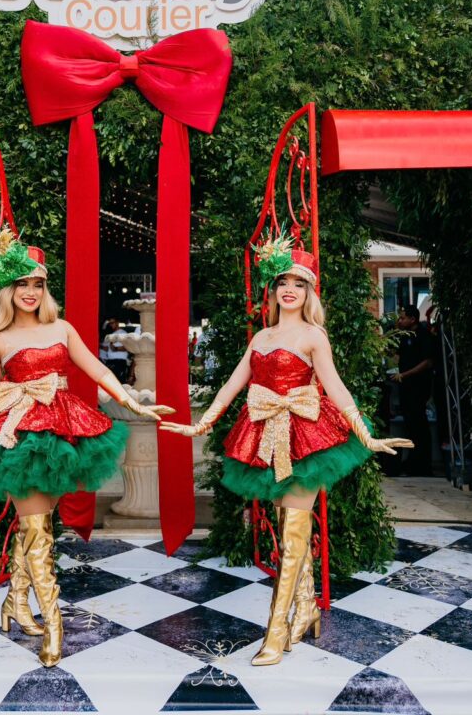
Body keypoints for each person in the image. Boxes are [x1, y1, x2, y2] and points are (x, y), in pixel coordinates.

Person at [0, 225, 170, 668]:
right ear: (8, 290)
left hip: (61, 432)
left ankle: (15, 602)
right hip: (19, 437)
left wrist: (134, 402)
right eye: (22, 284)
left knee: (34, 528)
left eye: (37, 284)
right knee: (38, 531)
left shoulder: (62, 328)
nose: (30, 292)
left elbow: (99, 371)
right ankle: (53, 625)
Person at [161, 234, 412, 667]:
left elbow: (336, 388)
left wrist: (367, 436)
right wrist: (201, 423)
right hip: (266, 438)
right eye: (282, 282)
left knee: (294, 533)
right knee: (287, 528)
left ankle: (275, 632)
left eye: (298, 282)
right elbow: (233, 384)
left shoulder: (314, 336)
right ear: (273, 289)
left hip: (308, 439)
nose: (289, 289)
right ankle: (307, 608)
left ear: (309, 291)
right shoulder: (261, 337)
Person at [392, 304, 434, 476]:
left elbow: (428, 362)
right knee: (410, 424)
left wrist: (405, 374)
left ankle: (423, 465)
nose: (400, 321)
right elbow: (395, 354)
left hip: (418, 386)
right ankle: (412, 463)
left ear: (413, 319)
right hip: (406, 388)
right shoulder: (404, 336)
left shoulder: (424, 336)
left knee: (419, 425)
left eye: (403, 318)